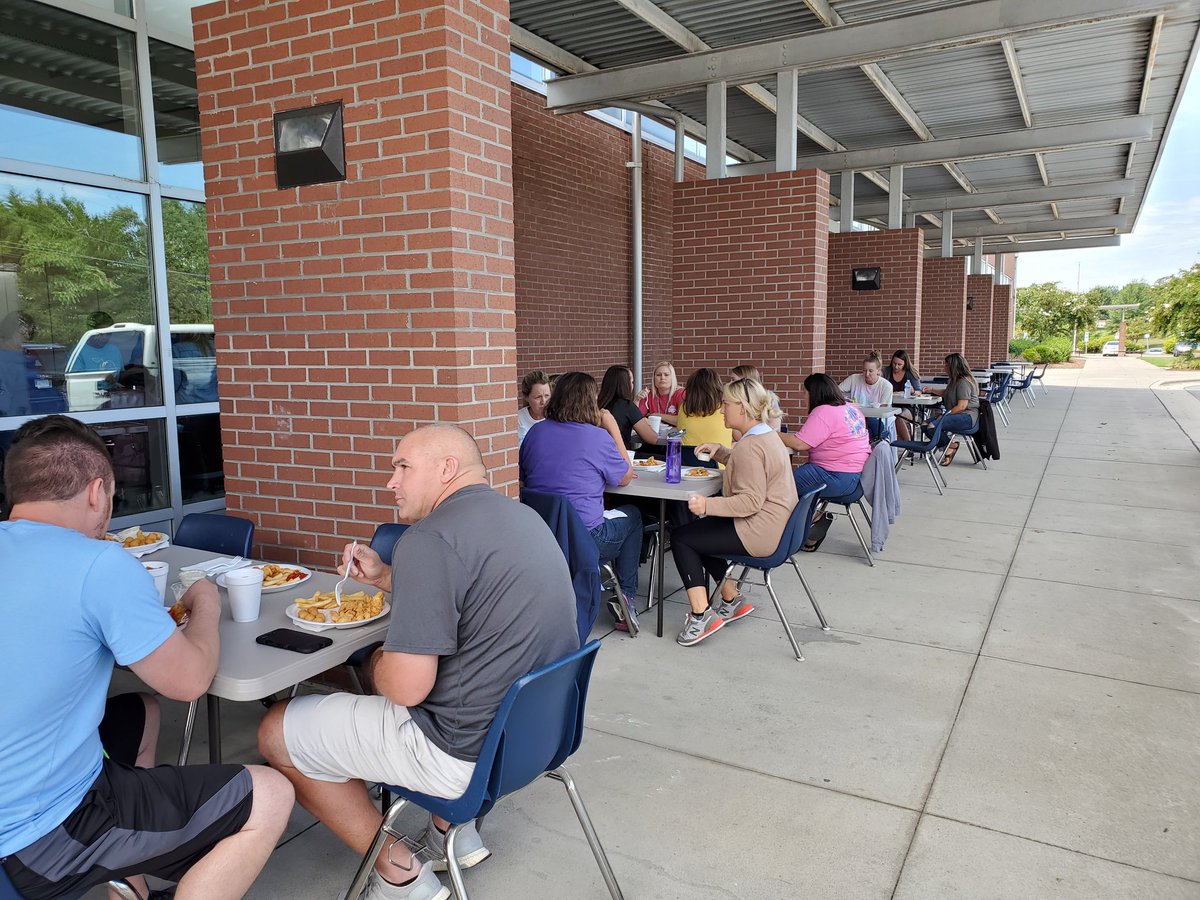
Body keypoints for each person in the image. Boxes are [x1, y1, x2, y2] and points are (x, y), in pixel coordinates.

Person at [259, 426, 579, 900]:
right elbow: (475, 598)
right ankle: (453, 834)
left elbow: (406, 689)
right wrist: (390, 577)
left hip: (459, 754)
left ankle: (399, 876)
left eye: (402, 467)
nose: (391, 481)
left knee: (275, 729)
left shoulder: (429, 538)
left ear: (446, 469)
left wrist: (377, 660)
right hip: (534, 738)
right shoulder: (524, 517)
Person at [0, 414, 294, 900]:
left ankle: (127, 891)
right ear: (97, 492)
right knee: (270, 793)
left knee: (141, 711)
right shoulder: (99, 564)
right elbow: (190, 681)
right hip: (37, 832)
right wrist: (206, 604)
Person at [672, 378, 798, 647]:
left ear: (742, 408)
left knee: (683, 537)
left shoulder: (751, 446)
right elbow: (752, 468)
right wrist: (724, 453)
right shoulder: (765, 436)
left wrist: (707, 506)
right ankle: (732, 598)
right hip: (775, 527)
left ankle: (700, 615)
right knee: (701, 534)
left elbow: (750, 501)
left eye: (726, 404)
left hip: (759, 531)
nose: (721, 410)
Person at [519, 372, 642, 632]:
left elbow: (524, 476)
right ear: (590, 401)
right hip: (586, 538)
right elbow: (626, 477)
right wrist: (612, 429)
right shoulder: (596, 437)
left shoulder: (535, 433)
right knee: (633, 515)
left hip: (542, 535)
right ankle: (627, 599)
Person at [781, 372, 870, 502]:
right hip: (857, 478)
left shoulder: (824, 412)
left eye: (805, 392)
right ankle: (812, 516)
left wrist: (770, 434)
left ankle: (796, 520)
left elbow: (800, 444)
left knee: (780, 486)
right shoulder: (851, 408)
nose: (803, 397)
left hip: (835, 475)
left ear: (814, 393)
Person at [924, 352, 980, 466]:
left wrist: (944, 416)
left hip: (966, 417)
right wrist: (931, 390)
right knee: (925, 424)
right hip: (957, 415)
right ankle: (951, 445)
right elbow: (947, 393)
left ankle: (949, 447)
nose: (944, 367)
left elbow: (962, 406)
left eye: (946, 365)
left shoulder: (963, 382)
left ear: (952, 366)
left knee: (932, 426)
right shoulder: (953, 380)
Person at [598, 364, 659, 450]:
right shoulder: (627, 406)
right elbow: (652, 438)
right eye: (632, 382)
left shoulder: (596, 404)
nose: (632, 385)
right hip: (619, 456)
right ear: (625, 384)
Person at [839, 351, 894, 442]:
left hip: (876, 421)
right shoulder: (854, 378)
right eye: (864, 370)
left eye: (870, 371)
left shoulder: (886, 386)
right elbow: (836, 392)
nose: (867, 374)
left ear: (878, 371)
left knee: (867, 429)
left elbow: (883, 411)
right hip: (855, 419)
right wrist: (846, 399)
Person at [676, 367, 733, 448]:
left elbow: (680, 431)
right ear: (717, 387)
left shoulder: (684, 408)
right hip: (719, 459)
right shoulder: (725, 408)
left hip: (688, 459)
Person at [730, 364, 783, 433]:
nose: (730, 383)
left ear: (745, 380)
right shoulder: (734, 399)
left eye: (733, 379)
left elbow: (774, 428)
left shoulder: (768, 399)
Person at [885, 350, 921, 441]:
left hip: (908, 407)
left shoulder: (911, 374)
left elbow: (919, 391)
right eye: (894, 363)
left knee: (899, 418)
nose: (896, 366)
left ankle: (909, 446)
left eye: (899, 364)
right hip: (890, 405)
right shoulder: (887, 372)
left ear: (905, 364)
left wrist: (913, 392)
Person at [636, 360, 685, 425]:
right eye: (658, 375)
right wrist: (636, 400)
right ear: (654, 378)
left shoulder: (681, 393)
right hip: (653, 433)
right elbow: (636, 419)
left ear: (672, 377)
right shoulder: (648, 394)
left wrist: (657, 415)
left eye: (666, 375)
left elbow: (682, 420)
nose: (662, 378)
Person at [516, 369, 551, 446]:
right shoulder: (518, 419)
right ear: (526, 397)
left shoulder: (556, 418)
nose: (543, 401)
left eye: (547, 396)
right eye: (538, 397)